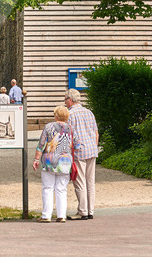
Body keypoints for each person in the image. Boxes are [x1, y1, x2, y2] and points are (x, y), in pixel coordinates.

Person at [32, 105, 74, 222]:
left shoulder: (49, 127)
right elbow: (77, 144)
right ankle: (62, 215)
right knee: (62, 188)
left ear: (56, 116)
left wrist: (36, 159)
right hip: (65, 161)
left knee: (48, 188)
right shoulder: (71, 128)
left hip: (49, 161)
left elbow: (41, 145)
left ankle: (46, 215)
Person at [65, 88, 99, 220]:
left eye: (65, 99)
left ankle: (83, 211)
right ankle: (90, 210)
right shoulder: (89, 112)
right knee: (90, 181)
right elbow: (96, 132)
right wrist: (94, 146)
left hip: (79, 151)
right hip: (91, 149)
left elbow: (69, 135)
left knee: (79, 181)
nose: (65, 102)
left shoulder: (70, 114)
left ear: (70, 100)